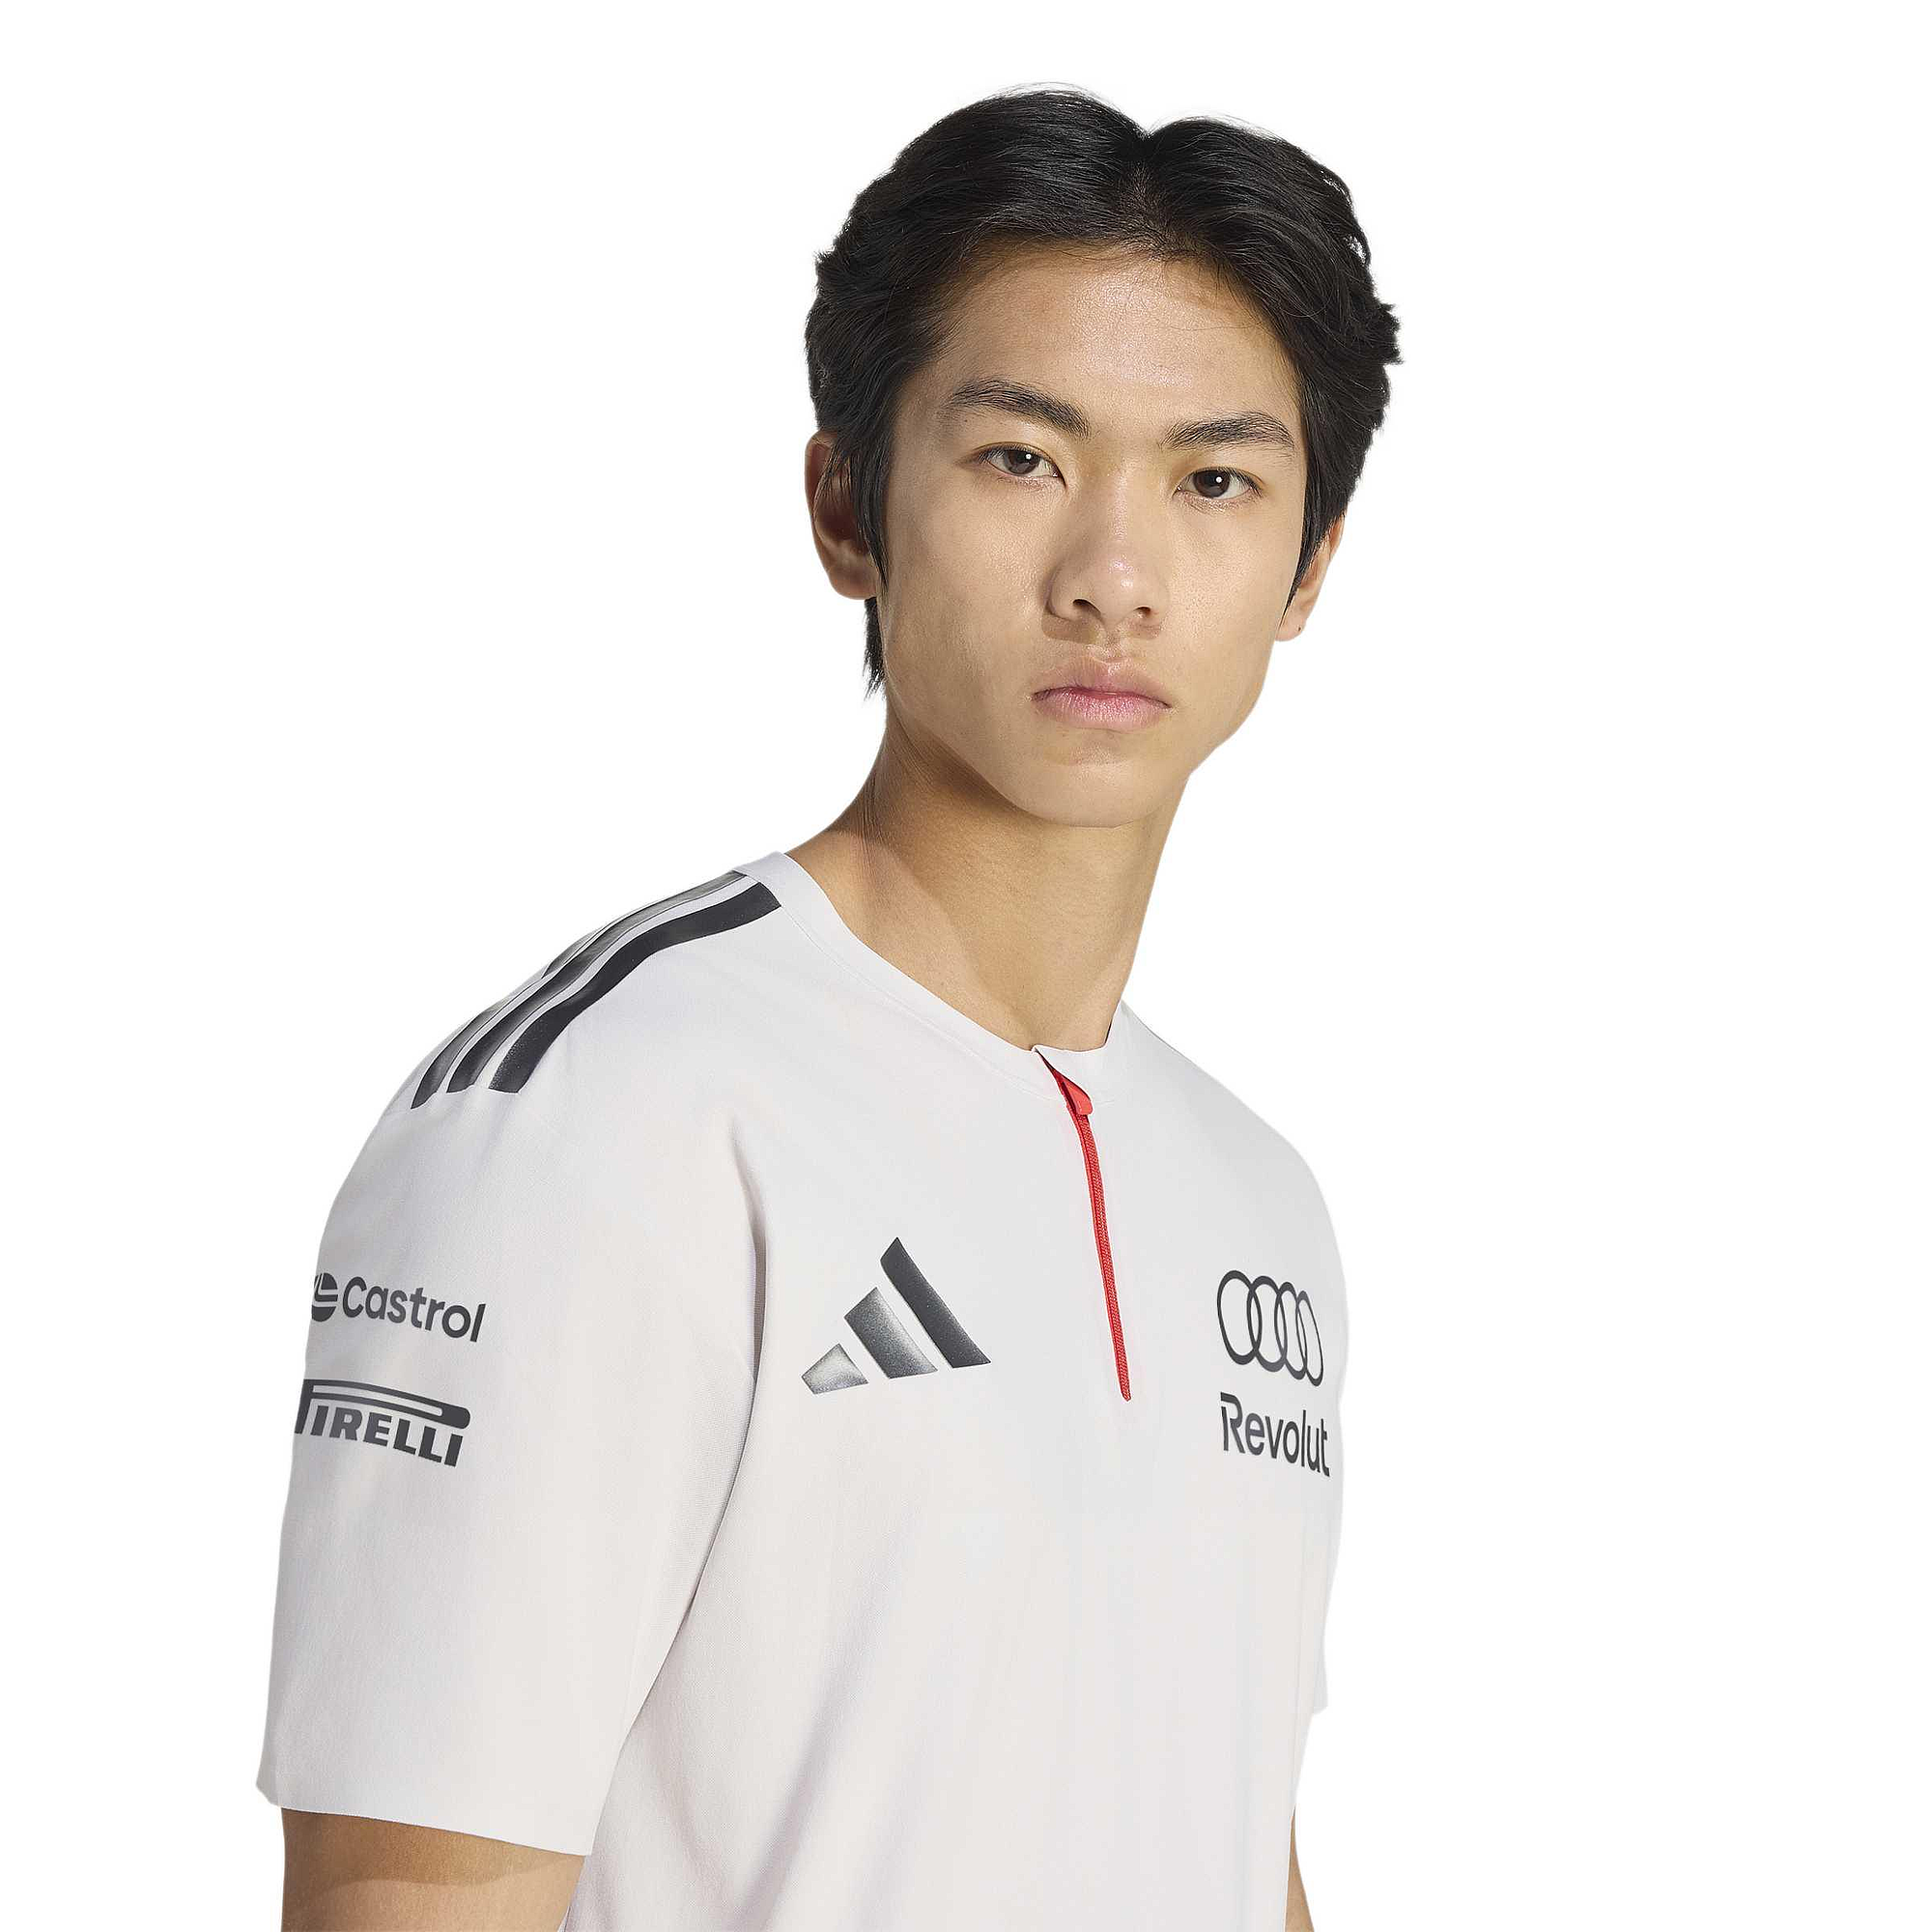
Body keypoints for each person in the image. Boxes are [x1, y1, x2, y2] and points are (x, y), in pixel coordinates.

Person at [257, 81, 1401, 1932]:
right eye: (1020, 458)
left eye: (1213, 481)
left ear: (1309, 565)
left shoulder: (1259, 1201)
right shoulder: (594, 1120)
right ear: (847, 506)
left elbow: (1224, 1833)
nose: (1113, 577)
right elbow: (408, 1893)